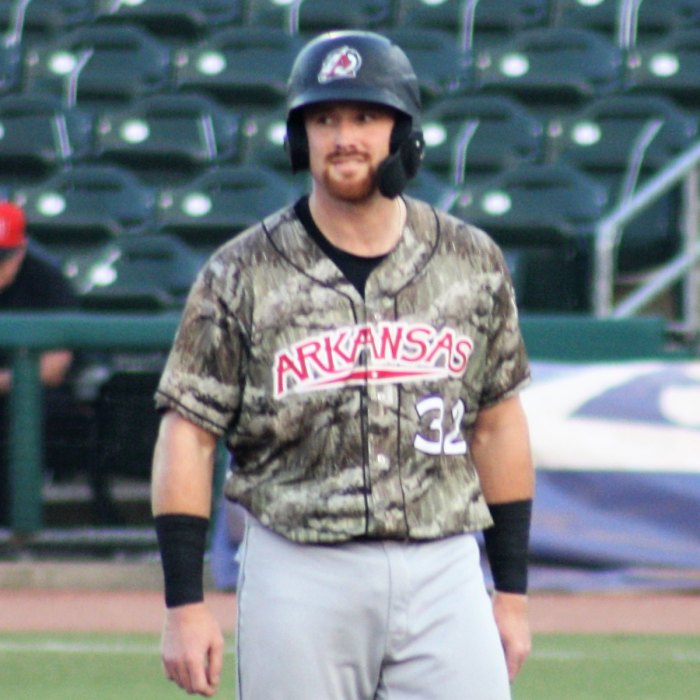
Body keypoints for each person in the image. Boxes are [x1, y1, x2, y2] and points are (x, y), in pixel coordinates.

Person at [151, 30, 535, 699]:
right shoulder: (240, 271)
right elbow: (188, 434)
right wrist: (184, 604)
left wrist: (512, 592)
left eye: (365, 116)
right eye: (323, 119)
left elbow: (498, 424)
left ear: (403, 134)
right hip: (300, 565)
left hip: (443, 563)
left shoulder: (470, 259)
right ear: (300, 139)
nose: (343, 137)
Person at [0, 201, 77, 525]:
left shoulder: (45, 280)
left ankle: (20, 529)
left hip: (27, 400)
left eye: (2, 258)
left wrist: (6, 381)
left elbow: (56, 365)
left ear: (21, 249)